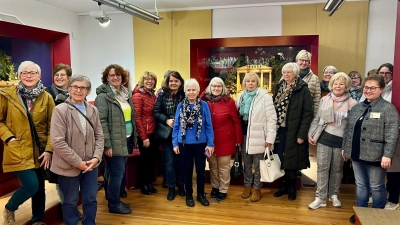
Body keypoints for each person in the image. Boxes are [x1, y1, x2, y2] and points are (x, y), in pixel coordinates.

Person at [0, 61, 55, 225]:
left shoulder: (47, 97)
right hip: (18, 149)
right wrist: (8, 137)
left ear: (39, 75)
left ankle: (38, 220)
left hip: (41, 151)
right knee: (31, 185)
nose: (29, 75)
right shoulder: (6, 95)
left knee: (40, 188)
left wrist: (50, 149)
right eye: (25, 72)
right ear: (19, 76)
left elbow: (54, 125)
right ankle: (10, 207)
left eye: (33, 72)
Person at [342, 74, 399, 223]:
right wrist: (346, 149)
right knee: (360, 185)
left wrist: (388, 155)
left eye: (372, 88)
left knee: (377, 186)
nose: (368, 90)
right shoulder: (357, 107)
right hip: (356, 153)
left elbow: (392, 135)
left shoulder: (388, 109)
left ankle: (377, 216)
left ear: (381, 89)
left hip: (377, 155)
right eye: (366, 87)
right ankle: (360, 214)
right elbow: (349, 130)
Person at [50, 75, 104, 225]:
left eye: (83, 88)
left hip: (91, 166)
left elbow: (100, 136)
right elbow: (58, 142)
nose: (79, 90)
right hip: (68, 166)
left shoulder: (93, 110)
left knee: (90, 199)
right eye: (75, 87)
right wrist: (78, 162)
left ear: (88, 91)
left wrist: (96, 158)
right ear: (69, 89)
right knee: (70, 202)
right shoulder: (60, 110)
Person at [308, 72, 357, 210]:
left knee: (337, 170)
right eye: (335, 83)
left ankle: (334, 195)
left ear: (346, 85)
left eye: (341, 83)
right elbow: (317, 119)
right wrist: (311, 133)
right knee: (322, 168)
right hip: (324, 138)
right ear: (332, 84)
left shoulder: (353, 103)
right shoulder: (325, 100)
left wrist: (348, 146)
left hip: (341, 141)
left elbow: (352, 127)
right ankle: (320, 198)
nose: (338, 86)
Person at [94, 64, 137, 214]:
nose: (115, 77)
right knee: (116, 174)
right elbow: (102, 122)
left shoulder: (125, 94)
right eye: (111, 75)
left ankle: (112, 198)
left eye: (118, 75)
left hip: (126, 139)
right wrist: (107, 145)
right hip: (113, 142)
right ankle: (114, 204)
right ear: (106, 77)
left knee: (114, 173)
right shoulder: (102, 97)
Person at [273, 62, 313, 201]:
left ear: (295, 73)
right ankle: (282, 186)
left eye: (289, 72)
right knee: (280, 159)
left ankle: (291, 188)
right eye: (284, 72)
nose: (286, 75)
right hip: (279, 130)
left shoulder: (302, 89)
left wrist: (302, 134)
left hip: (294, 130)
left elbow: (308, 114)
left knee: (292, 161)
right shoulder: (279, 87)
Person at [172, 78, 214, 207]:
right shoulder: (180, 105)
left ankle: (201, 195)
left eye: (193, 90)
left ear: (198, 91)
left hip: (201, 144)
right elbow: (177, 126)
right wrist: (175, 143)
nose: (191, 92)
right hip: (184, 144)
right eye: (188, 90)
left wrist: (210, 143)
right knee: (187, 171)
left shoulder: (204, 105)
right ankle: (189, 195)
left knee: (201, 171)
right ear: (185, 92)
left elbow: (208, 125)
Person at [235, 72, 277, 202]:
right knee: (246, 163)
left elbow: (271, 119)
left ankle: (257, 188)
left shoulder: (265, 97)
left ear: (257, 83)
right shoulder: (241, 96)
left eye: (253, 81)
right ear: (244, 83)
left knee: (258, 165)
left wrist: (270, 139)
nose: (250, 83)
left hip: (259, 135)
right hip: (244, 135)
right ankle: (247, 186)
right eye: (248, 81)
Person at [200, 77, 242, 201]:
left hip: (225, 139)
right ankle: (215, 187)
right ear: (210, 87)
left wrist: (238, 138)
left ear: (222, 87)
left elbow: (236, 121)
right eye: (214, 86)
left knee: (223, 166)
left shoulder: (229, 102)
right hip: (208, 141)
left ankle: (223, 189)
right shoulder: (203, 100)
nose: (216, 88)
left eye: (219, 86)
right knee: (212, 165)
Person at [153, 71, 186, 201]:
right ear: (168, 82)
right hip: (167, 135)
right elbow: (156, 112)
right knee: (170, 163)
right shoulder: (162, 95)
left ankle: (181, 186)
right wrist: (166, 120)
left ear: (180, 82)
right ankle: (171, 187)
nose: (173, 83)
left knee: (182, 162)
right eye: (171, 81)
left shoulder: (185, 94)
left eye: (176, 81)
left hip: (183, 134)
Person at [132, 71, 158, 195]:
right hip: (145, 134)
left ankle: (149, 183)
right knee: (145, 161)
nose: (150, 81)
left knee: (150, 160)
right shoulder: (137, 96)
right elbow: (137, 117)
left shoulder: (152, 95)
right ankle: (144, 185)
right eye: (147, 79)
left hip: (153, 132)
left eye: (152, 79)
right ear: (142, 81)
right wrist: (143, 137)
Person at [295, 50, 321, 115]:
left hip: (306, 114)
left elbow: (316, 100)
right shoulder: (289, 74)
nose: (304, 63)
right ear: (297, 60)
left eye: (307, 61)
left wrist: (315, 117)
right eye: (301, 60)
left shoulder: (314, 78)